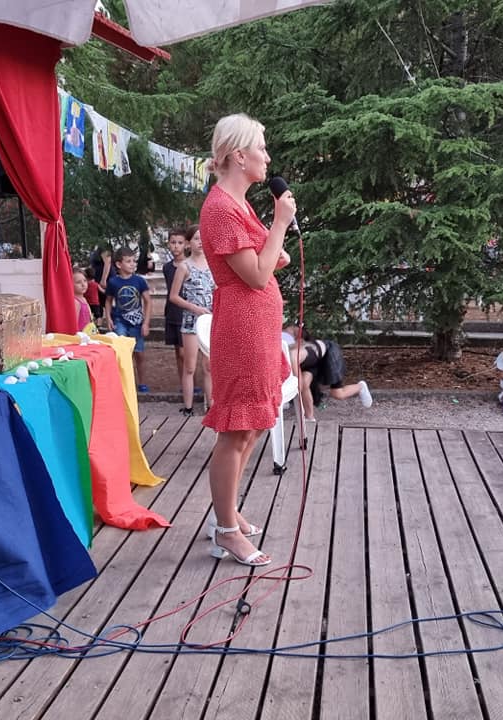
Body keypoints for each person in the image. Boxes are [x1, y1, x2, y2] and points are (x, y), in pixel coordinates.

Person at [199, 113, 295, 568]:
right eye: (261, 147)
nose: (267, 157)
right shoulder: (220, 208)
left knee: (253, 424)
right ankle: (225, 531)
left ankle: (229, 511)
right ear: (239, 156)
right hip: (241, 329)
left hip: (258, 327)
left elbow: (273, 259)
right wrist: (280, 223)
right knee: (236, 429)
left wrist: (273, 239)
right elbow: (256, 274)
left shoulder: (238, 204)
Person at [282, 324, 373, 422]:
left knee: (338, 393)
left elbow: (297, 385)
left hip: (328, 354)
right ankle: (310, 417)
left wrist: (283, 398)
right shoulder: (287, 353)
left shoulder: (293, 355)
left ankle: (360, 387)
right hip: (310, 360)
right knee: (304, 384)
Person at [169, 225, 214, 415]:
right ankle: (188, 407)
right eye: (196, 238)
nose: (200, 242)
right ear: (189, 243)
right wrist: (194, 308)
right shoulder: (184, 267)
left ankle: (211, 407)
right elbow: (174, 296)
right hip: (191, 321)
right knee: (189, 366)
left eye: (204, 238)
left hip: (210, 321)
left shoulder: (213, 264)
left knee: (209, 365)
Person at [104, 247, 152, 392]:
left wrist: (146, 323)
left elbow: (148, 301)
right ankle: (124, 382)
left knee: (139, 353)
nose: (132, 264)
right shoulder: (113, 282)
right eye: (129, 261)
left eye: (134, 261)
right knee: (122, 352)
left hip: (137, 322)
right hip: (120, 321)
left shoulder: (139, 281)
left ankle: (142, 382)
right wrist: (108, 318)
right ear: (119, 264)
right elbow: (108, 301)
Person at [162, 228, 188, 385]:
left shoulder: (190, 265)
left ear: (186, 244)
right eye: (173, 242)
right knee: (178, 351)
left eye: (180, 243)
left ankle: (191, 381)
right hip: (172, 311)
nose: (176, 246)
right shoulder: (167, 267)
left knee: (186, 352)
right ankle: (182, 382)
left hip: (187, 311)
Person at [72, 267, 94, 332]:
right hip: (80, 334)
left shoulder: (84, 299)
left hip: (88, 333)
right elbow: (74, 324)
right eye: (78, 282)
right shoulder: (75, 302)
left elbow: (90, 320)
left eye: (85, 281)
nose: (83, 284)